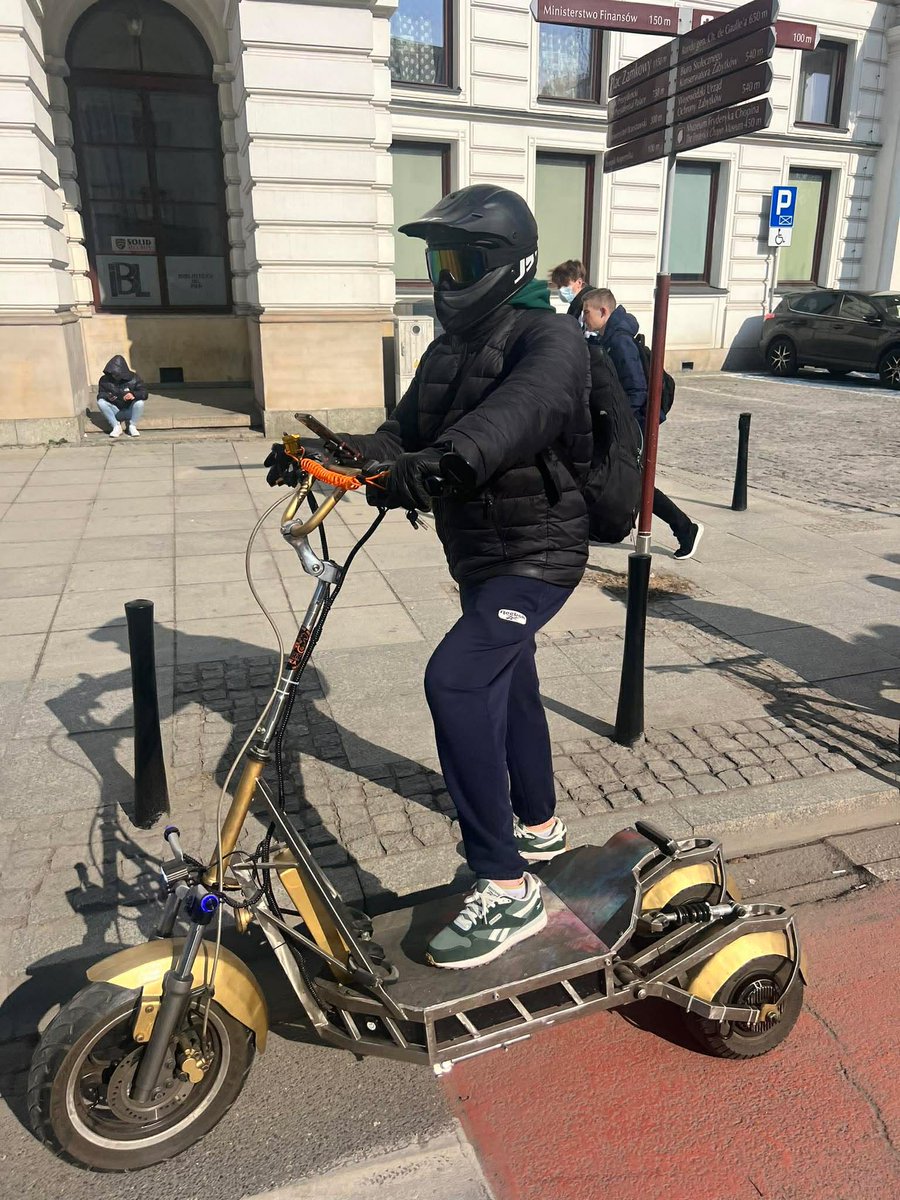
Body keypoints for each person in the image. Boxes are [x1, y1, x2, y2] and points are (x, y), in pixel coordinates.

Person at [265, 185, 593, 970]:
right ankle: (539, 830)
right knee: (509, 681)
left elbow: (510, 419)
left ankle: (506, 887)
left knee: (455, 679)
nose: (447, 277)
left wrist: (442, 466)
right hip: (482, 554)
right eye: (438, 260)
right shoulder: (448, 352)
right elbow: (398, 435)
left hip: (539, 554)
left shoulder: (550, 339)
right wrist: (329, 452)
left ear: (508, 263)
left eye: (461, 261)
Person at [581, 288, 704, 560]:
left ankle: (686, 528)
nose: (583, 317)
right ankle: (683, 528)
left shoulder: (620, 341)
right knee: (635, 481)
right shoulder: (610, 337)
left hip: (634, 426)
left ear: (603, 311)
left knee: (637, 483)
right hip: (628, 425)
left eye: (587, 312)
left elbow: (636, 389)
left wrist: (624, 425)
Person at [97, 355, 148, 438]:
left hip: (130, 410)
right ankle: (116, 426)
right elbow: (100, 394)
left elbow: (144, 393)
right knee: (101, 402)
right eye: (112, 373)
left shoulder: (134, 378)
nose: (114, 375)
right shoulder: (104, 380)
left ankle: (132, 426)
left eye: (116, 373)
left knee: (140, 403)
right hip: (115, 410)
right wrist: (108, 396)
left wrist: (133, 394)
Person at [549, 259, 593, 325]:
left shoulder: (590, 304)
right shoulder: (576, 305)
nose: (561, 289)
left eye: (565, 284)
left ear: (579, 282)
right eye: (559, 286)